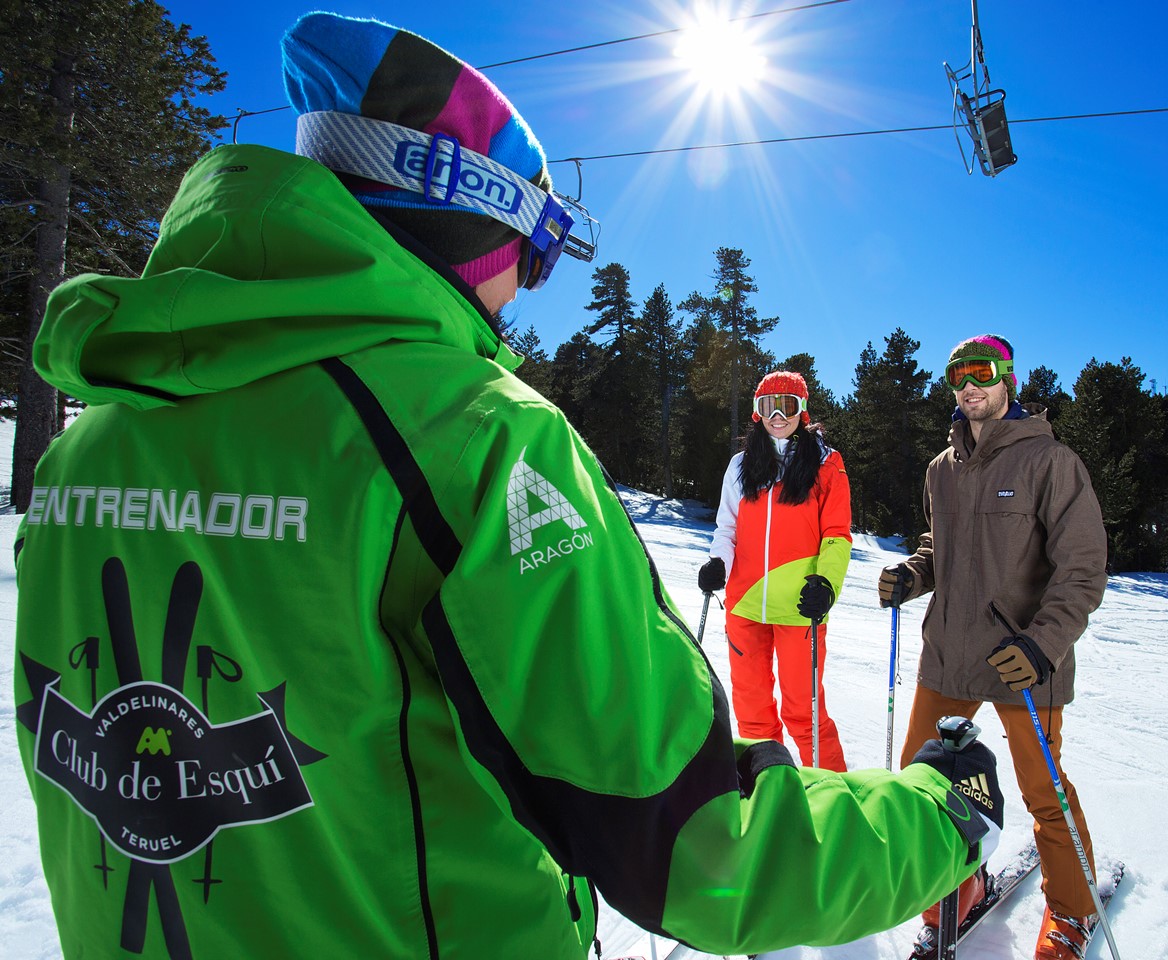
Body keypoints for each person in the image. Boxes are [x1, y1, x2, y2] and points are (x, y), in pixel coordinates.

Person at [12, 13, 1004, 959]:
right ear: (464, 219)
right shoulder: (476, 438)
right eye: (528, 257)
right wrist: (935, 815)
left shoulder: (88, 442)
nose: (521, 295)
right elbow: (701, 847)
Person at [877, 334, 1109, 960]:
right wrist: (914, 575)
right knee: (922, 783)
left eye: (982, 372)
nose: (970, 385)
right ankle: (955, 889)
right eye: (958, 376)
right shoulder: (940, 470)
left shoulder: (1050, 461)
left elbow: (1083, 570)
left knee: (1042, 789)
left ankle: (1072, 910)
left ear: (1008, 378)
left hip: (1022, 661)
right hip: (949, 654)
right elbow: (940, 551)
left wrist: (1044, 645)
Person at [697, 372, 852, 771]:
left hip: (802, 606)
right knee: (752, 714)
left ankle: (832, 795)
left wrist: (826, 583)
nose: (778, 415)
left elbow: (837, 534)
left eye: (788, 405)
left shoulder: (826, 462)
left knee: (805, 713)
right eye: (769, 406)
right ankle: (768, 792)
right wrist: (719, 563)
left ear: (803, 410)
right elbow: (727, 528)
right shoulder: (741, 464)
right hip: (744, 606)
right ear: (756, 412)